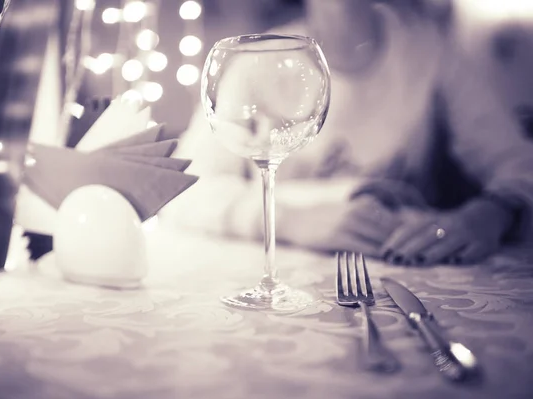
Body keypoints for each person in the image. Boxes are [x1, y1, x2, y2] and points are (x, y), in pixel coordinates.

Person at [166, 0, 533, 266]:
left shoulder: (430, 50)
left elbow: (519, 164)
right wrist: (293, 220)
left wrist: (492, 213)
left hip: (400, 270)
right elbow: (183, 191)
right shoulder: (259, 58)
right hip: (286, 269)